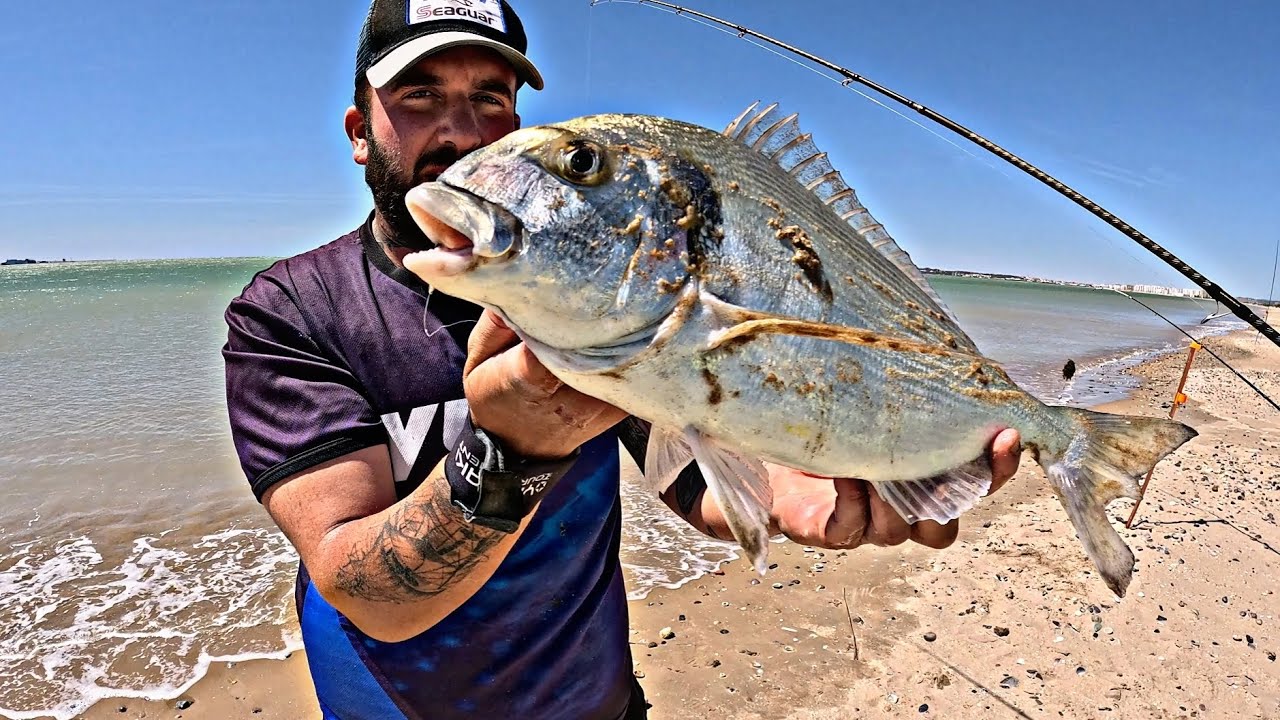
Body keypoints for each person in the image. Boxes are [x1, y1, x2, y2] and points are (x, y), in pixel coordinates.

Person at [221, 1, 1023, 718]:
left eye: (490, 97)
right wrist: (514, 445)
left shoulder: (600, 298)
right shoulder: (290, 312)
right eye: (419, 96)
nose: (461, 131)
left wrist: (784, 486)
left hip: (597, 701)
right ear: (361, 132)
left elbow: (682, 461)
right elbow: (366, 592)